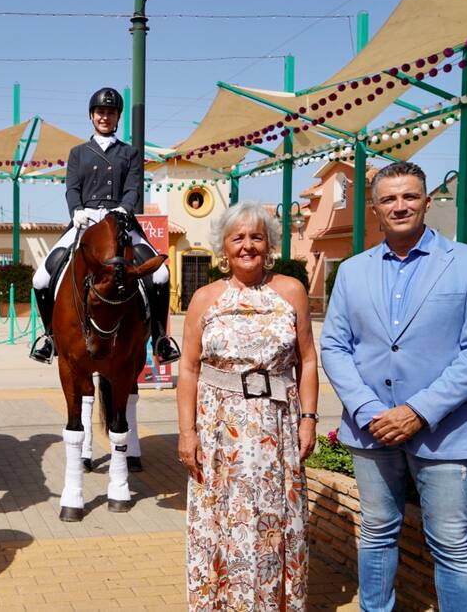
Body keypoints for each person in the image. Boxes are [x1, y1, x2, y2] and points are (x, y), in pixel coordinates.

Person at [321, 161, 467, 612]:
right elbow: (335, 347)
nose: (399, 206)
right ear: (375, 209)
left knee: (451, 543)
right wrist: (367, 410)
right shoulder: (352, 271)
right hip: (371, 429)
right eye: (388, 199)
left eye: (409, 196)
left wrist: (418, 411)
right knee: (377, 532)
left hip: (444, 431)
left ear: (426, 201)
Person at [176, 201, 318, 611]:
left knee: (275, 516)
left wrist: (308, 420)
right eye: (238, 237)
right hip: (218, 432)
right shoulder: (204, 298)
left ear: (269, 244)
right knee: (222, 518)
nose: (247, 246)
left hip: (276, 427)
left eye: (257, 237)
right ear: (223, 246)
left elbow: (308, 360)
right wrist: (187, 432)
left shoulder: (291, 291)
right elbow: (188, 368)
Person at [30, 87, 180, 367]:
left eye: (111, 113)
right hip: (84, 220)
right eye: (100, 112)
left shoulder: (130, 153)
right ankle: (50, 336)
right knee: (40, 278)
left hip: (120, 220)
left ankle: (160, 338)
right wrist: (76, 211)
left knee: (160, 274)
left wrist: (124, 209)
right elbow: (72, 188)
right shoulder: (78, 153)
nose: (105, 117)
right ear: (91, 115)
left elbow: (133, 188)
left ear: (118, 117)